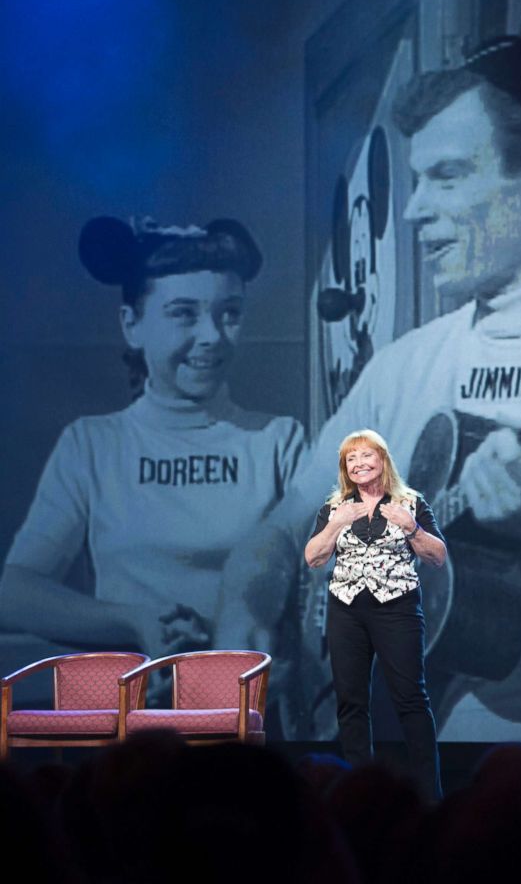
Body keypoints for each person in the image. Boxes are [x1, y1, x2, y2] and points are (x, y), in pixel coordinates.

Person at [215, 0, 521, 739]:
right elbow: (287, 525)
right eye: (416, 180)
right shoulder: (406, 364)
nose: (415, 208)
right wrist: (247, 604)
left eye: (447, 176)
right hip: (412, 762)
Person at [0, 215, 304, 665]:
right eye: (183, 314)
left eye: (230, 314)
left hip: (249, 709)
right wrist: (135, 622)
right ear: (132, 325)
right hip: (129, 709)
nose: (213, 337)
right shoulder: (92, 445)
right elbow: (16, 591)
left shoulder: (279, 441)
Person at [304, 429, 446, 800]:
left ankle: (430, 795)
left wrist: (411, 527)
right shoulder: (334, 508)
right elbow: (313, 558)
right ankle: (358, 792)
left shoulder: (410, 503)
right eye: (351, 459)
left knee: (411, 699)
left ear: (382, 460)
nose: (359, 464)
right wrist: (336, 524)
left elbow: (437, 556)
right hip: (346, 611)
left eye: (366, 456)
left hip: (397, 608)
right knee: (351, 701)